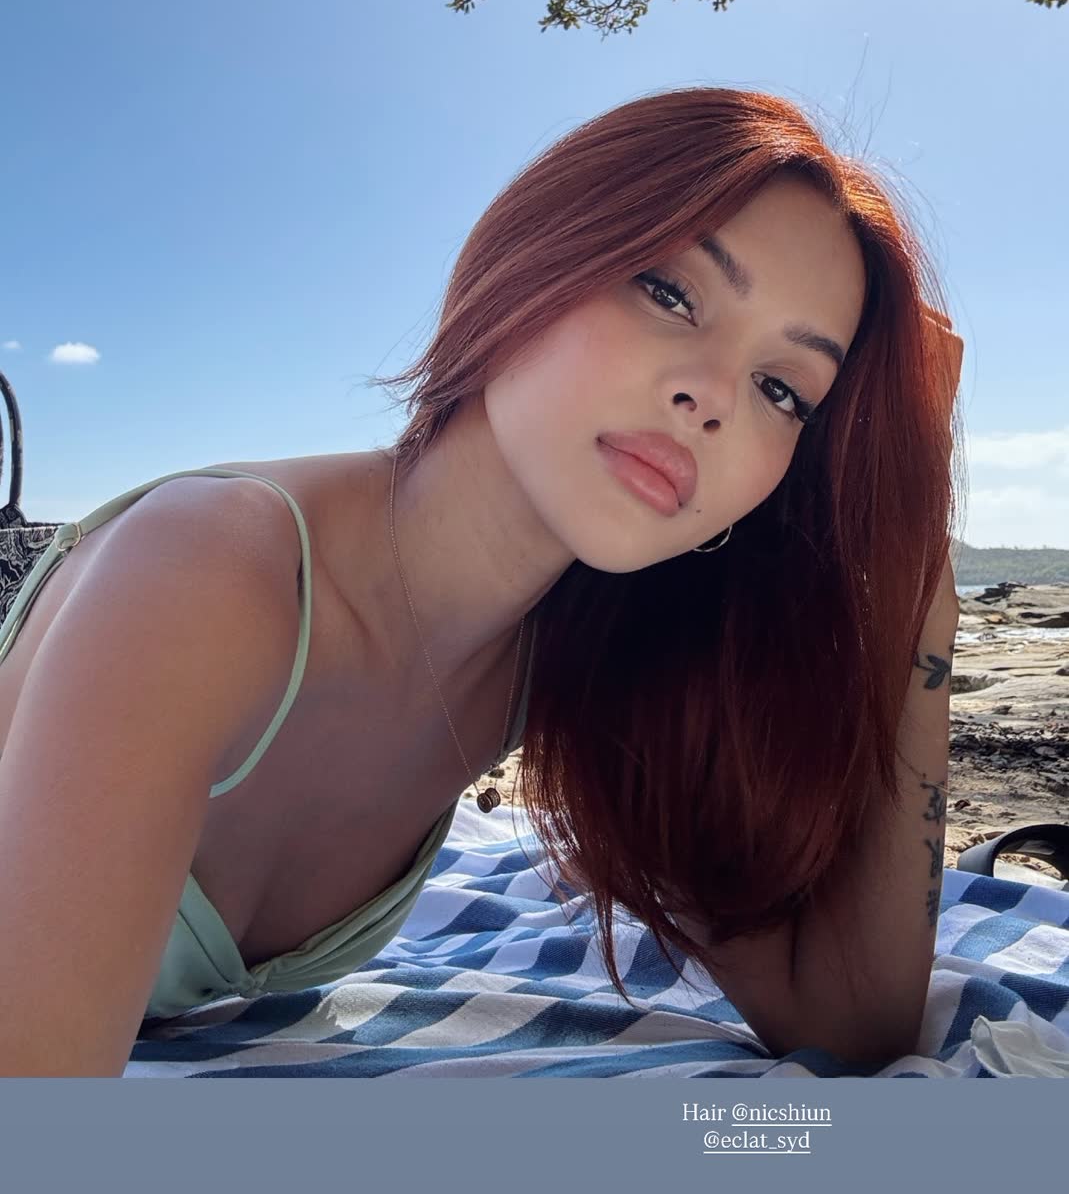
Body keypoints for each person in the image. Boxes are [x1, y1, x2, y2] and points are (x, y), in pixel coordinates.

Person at [0, 85, 965, 1075]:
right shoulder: (212, 574)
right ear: (531, 259)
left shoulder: (570, 665)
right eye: (669, 293)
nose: (712, 397)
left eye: (782, 389)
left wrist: (918, 588)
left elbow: (850, 1024)